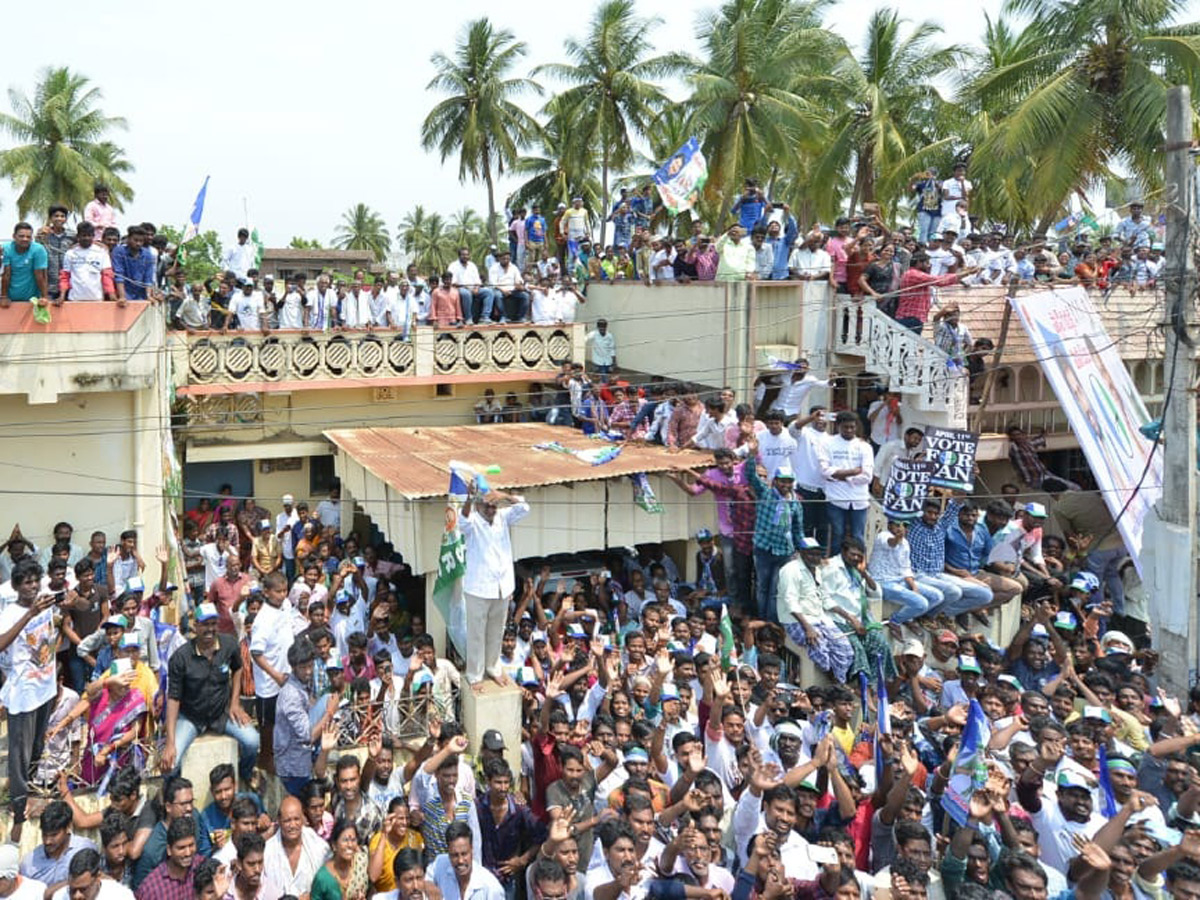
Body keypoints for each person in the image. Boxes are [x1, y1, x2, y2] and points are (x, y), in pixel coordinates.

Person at [163, 602, 260, 782]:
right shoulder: (180, 657)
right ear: (195, 626)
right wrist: (170, 741)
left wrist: (235, 703)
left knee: (252, 741)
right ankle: (171, 796)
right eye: (205, 624)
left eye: (213, 623)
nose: (210, 629)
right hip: (191, 717)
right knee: (171, 763)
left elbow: (238, 668)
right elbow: (173, 698)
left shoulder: (229, 644)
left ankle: (245, 775)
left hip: (221, 714)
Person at [460, 482, 530, 688]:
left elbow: (524, 507)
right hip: (478, 589)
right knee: (476, 634)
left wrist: (502, 495)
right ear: (478, 506)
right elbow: (462, 521)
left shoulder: (502, 516)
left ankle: (493, 667)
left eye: (493, 506)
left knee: (496, 631)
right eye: (487, 506)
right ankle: (474, 674)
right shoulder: (472, 520)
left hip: (502, 587)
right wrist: (470, 499)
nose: (491, 510)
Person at [263, 796, 330, 900]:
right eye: (287, 821)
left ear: (303, 818)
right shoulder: (267, 852)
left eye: (296, 819)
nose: (292, 825)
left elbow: (329, 883)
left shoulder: (319, 848)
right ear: (279, 821)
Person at [428, 822, 504, 900]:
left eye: (464, 854)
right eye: (455, 855)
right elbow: (426, 876)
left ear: (472, 849)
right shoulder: (440, 864)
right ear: (448, 852)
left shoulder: (490, 888)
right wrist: (429, 885)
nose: (460, 861)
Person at [134, 816, 202, 900]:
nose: (188, 853)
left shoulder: (201, 867)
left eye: (191, 845)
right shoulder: (152, 888)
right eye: (181, 848)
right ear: (169, 850)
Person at [311, 817, 370, 900]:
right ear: (334, 845)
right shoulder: (322, 878)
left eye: (353, 840)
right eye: (345, 840)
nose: (350, 845)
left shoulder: (361, 864)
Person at [1, 222, 49, 304]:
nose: (25, 239)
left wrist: (44, 297)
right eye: (21, 236)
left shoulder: (38, 250)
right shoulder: (6, 249)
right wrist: (4, 297)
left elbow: (40, 275)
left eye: (28, 237)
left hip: (32, 299)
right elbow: (6, 274)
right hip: (10, 298)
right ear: (14, 236)